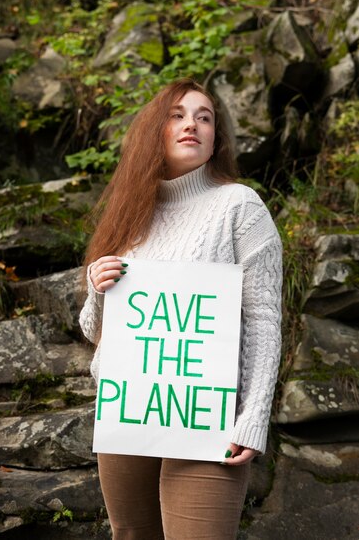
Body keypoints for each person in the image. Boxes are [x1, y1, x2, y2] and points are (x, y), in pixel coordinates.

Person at [79, 78, 282, 540]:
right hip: (129, 414)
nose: (192, 123)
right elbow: (96, 334)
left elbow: (265, 324)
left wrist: (252, 419)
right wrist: (97, 289)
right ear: (156, 130)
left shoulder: (240, 206)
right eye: (177, 114)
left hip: (209, 419)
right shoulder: (130, 213)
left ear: (215, 141)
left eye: (204, 117)